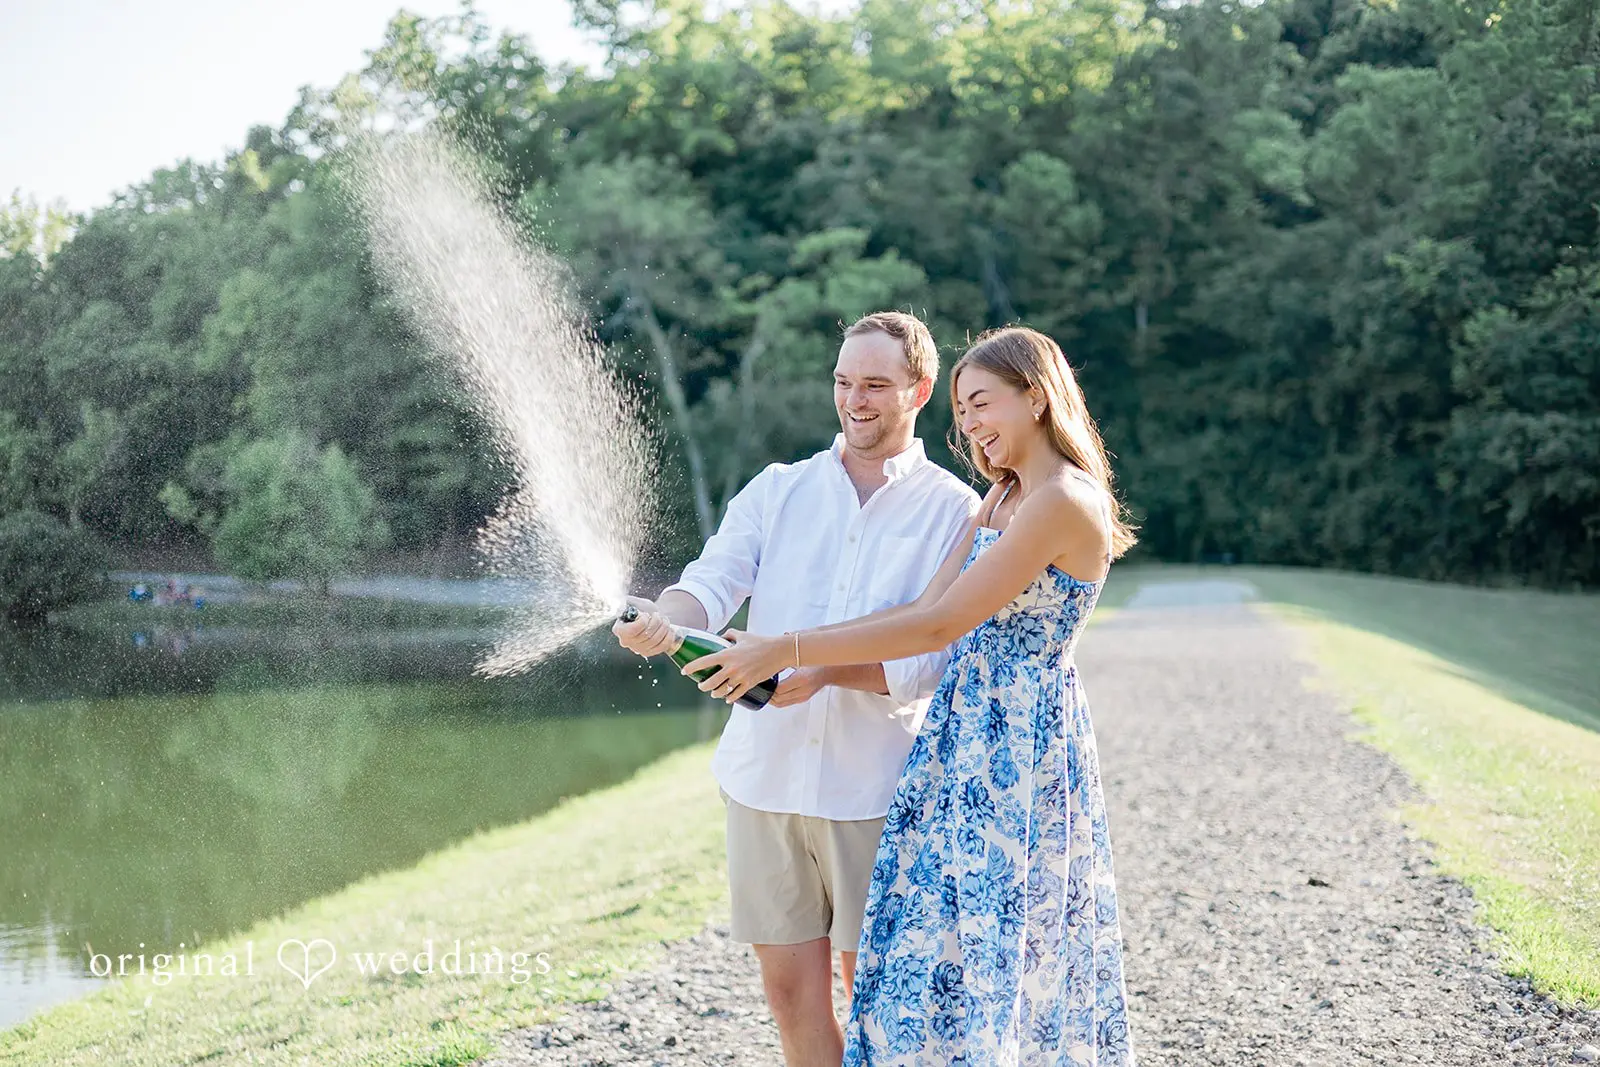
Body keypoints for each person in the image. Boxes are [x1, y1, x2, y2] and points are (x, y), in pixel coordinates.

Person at [684, 326, 1139, 1065]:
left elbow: (938, 623)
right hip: (960, 744)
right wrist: (804, 658)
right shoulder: (1003, 496)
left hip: (1019, 750)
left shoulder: (1062, 499)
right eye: (962, 412)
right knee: (927, 977)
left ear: (1036, 396)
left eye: (982, 404)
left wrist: (788, 646)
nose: (971, 427)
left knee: (994, 968)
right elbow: (917, 611)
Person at [613, 311, 982, 1067]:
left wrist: (816, 672)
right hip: (764, 782)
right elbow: (710, 584)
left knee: (877, 1002)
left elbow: (927, 656)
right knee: (789, 1001)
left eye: (876, 384)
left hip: (875, 790)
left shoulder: (954, 510)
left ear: (919, 389)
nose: (856, 400)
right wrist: (663, 618)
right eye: (844, 382)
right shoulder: (780, 489)